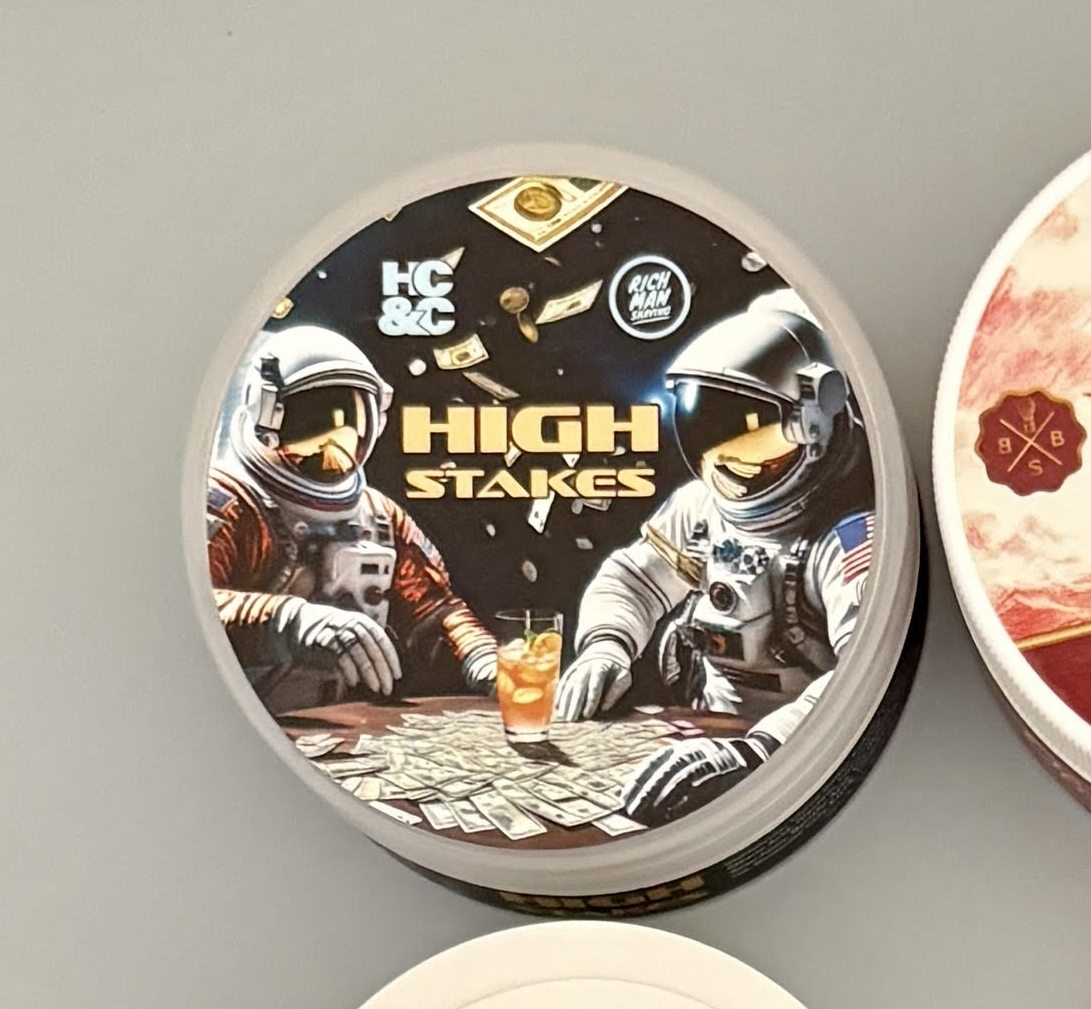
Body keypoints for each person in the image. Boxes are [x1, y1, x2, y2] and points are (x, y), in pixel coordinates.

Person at [551, 290, 875, 825]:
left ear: (815, 424)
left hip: (797, 754)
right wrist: (606, 646)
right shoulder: (702, 507)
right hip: (702, 731)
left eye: (754, 438)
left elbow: (862, 675)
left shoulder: (849, 534)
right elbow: (634, 579)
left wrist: (759, 755)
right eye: (713, 435)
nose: (727, 464)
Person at [207, 324, 496, 714]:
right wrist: (288, 622)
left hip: (343, 722)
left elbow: (434, 612)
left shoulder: (379, 517)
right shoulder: (229, 505)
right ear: (266, 415)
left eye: (349, 429)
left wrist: (483, 660)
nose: (333, 451)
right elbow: (191, 609)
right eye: (313, 429)